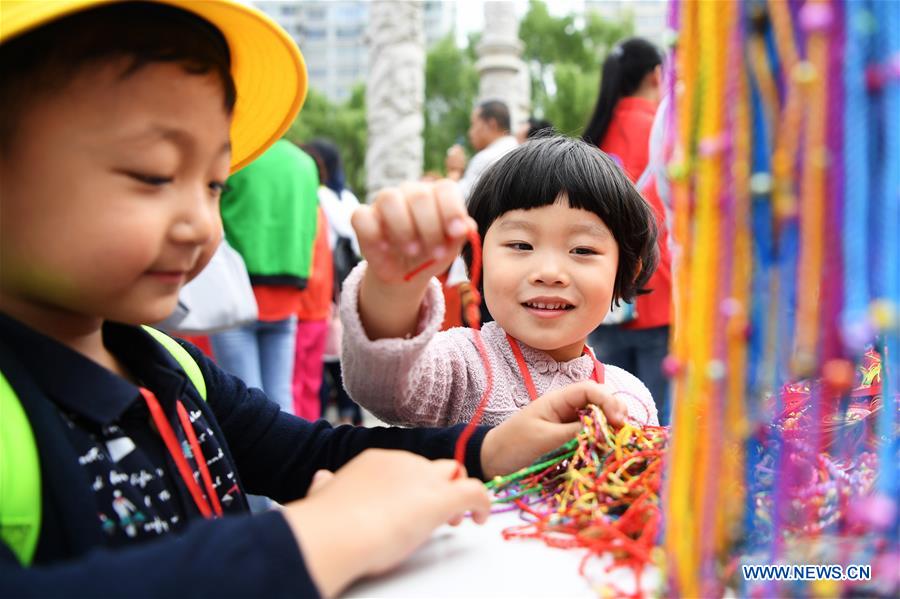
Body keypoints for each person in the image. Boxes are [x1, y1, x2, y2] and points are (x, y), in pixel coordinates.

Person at [0, 2, 632, 596]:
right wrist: (317, 535)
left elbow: (309, 453)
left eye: (215, 183)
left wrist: (490, 450)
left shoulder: (168, 364)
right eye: (154, 174)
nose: (201, 223)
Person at [340, 136, 661, 428]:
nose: (549, 272)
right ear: (475, 260)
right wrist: (394, 286)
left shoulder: (632, 398)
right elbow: (386, 388)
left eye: (582, 250)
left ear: (627, 271)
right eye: (521, 245)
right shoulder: (464, 365)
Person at [582, 37, 674, 423]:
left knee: (609, 414)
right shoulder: (664, 129)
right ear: (657, 75)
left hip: (603, 292)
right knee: (658, 419)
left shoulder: (592, 137)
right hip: (658, 290)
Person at [208, 138, 320, 417]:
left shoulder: (238, 157)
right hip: (289, 291)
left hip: (236, 289)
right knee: (282, 397)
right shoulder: (304, 163)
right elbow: (312, 226)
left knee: (245, 404)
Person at [444, 99, 518, 201]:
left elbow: (455, 201)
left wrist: (454, 171)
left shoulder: (486, 158)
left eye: (474, 124)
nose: (470, 132)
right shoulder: (519, 150)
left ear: (492, 124)